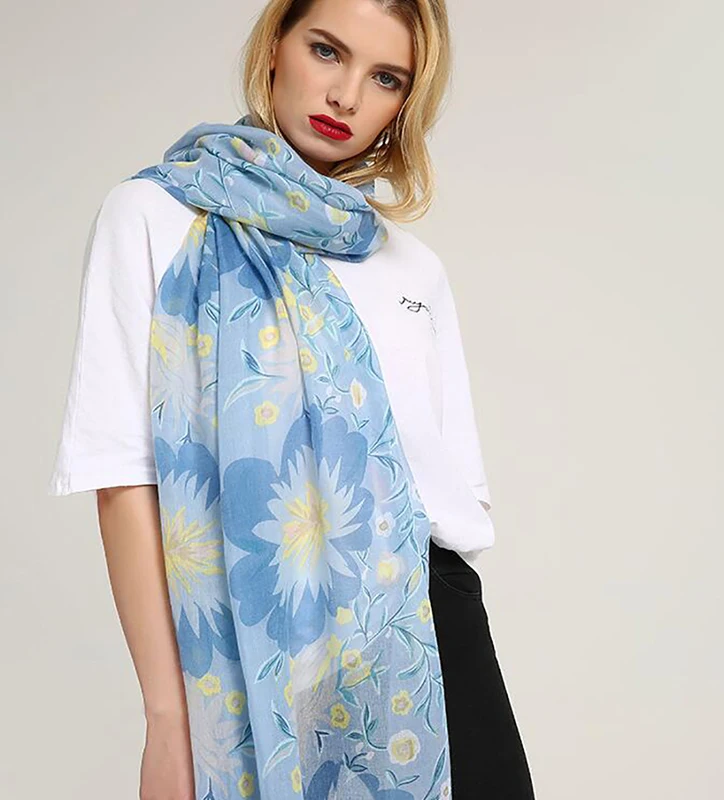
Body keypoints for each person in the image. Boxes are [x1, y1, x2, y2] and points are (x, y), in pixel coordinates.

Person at [48, 0, 536, 798]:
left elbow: (449, 493)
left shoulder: (412, 268)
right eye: (327, 50)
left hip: (422, 634)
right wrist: (167, 720)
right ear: (275, 45)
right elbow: (123, 474)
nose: (347, 95)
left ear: (406, 103)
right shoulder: (155, 215)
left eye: (386, 77)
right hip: (255, 636)